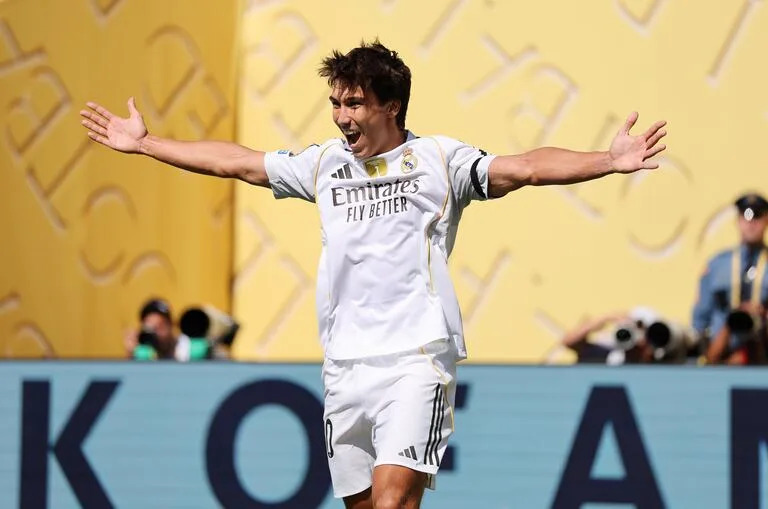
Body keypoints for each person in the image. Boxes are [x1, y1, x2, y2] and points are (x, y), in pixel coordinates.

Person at [80, 41, 666, 508]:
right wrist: (148, 144)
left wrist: (607, 161)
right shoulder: (325, 164)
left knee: (393, 501)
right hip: (344, 365)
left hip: (416, 357)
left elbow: (527, 168)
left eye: (354, 104)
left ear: (391, 107)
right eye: (336, 104)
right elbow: (238, 162)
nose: (342, 117)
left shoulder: (440, 160)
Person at [693, 193, 768, 357]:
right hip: (721, 353)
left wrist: (761, 313)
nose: (751, 224)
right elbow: (700, 320)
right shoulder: (717, 265)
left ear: (766, 221)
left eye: (757, 217)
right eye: (745, 218)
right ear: (738, 221)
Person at [126, 298, 210, 361]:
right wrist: (131, 355)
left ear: (171, 324)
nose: (157, 333)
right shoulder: (144, 354)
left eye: (161, 326)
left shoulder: (189, 348)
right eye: (151, 328)